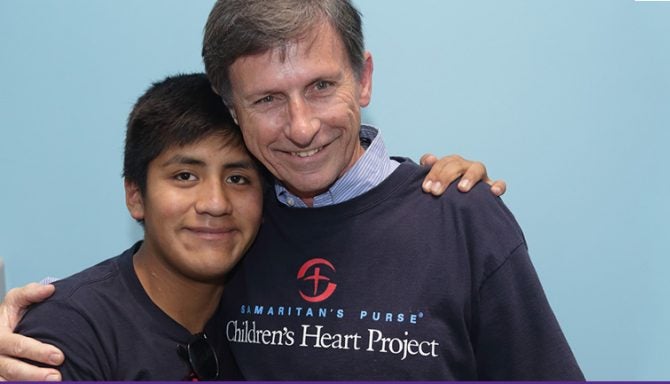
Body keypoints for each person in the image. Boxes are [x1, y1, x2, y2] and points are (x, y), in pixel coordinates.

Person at [0, 0, 578, 380]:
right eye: (268, 99)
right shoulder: (238, 226)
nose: (301, 128)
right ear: (234, 108)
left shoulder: (459, 218)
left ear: (365, 77)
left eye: (321, 86)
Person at [13, 73, 259, 380]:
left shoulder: (265, 320)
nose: (215, 203)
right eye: (185, 176)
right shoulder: (71, 330)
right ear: (135, 196)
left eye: (237, 179)